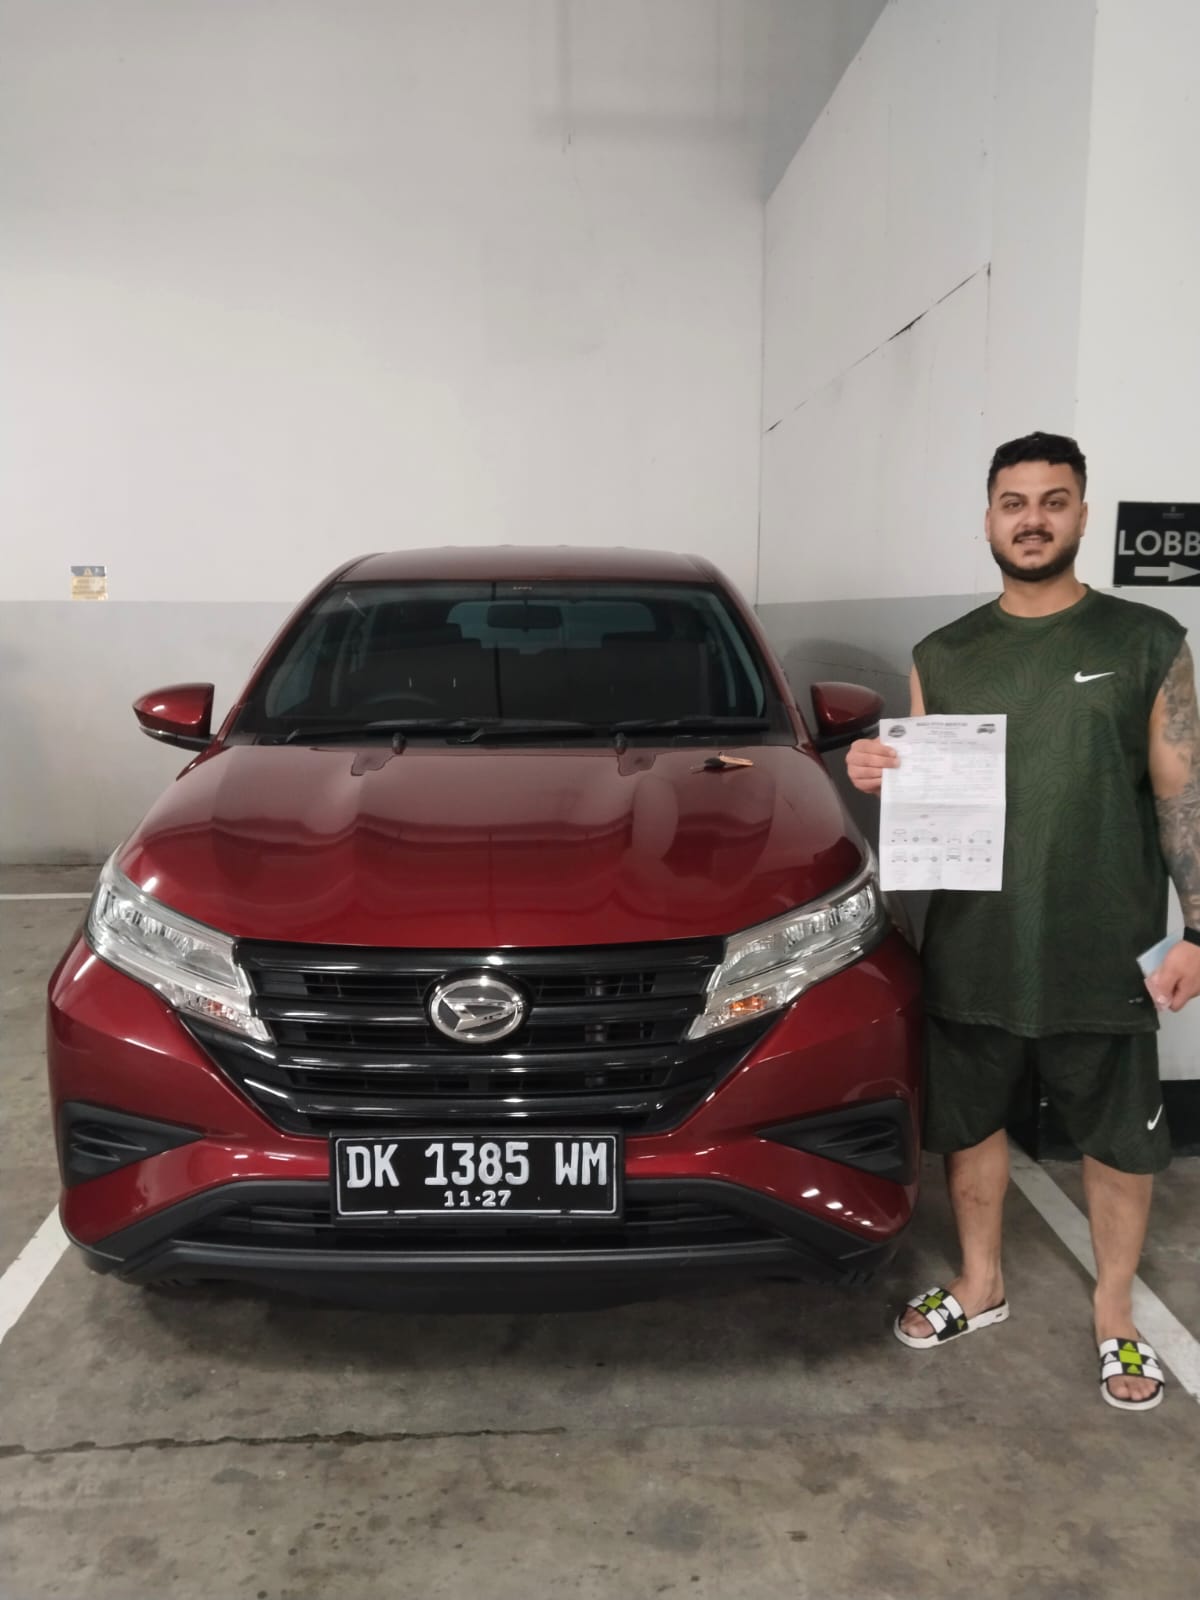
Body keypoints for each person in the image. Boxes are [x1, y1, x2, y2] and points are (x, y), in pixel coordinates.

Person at [847, 431, 1200, 1412]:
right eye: (1015, 502)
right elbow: (930, 798)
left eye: (1053, 500)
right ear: (989, 519)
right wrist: (880, 771)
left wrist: (1198, 932)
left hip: (1104, 945)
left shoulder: (1145, 641)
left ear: (1082, 512)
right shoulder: (945, 654)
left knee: (1118, 1142)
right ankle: (981, 1282)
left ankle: (1116, 1312)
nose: (1033, 519)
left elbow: (1184, 797)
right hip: (976, 943)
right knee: (969, 1126)